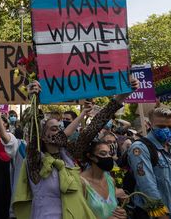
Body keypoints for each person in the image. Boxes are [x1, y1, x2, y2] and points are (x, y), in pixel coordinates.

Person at [13, 78, 138, 219]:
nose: (59, 131)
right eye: (54, 129)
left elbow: (94, 126)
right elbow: (33, 131)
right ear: (43, 136)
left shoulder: (69, 156)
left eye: (61, 128)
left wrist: (123, 95)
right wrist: (34, 99)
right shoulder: (35, 161)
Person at [127, 108, 171, 218]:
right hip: (154, 215)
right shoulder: (140, 148)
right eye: (161, 126)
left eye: (170, 127)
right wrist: (160, 214)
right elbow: (146, 185)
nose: (167, 130)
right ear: (150, 125)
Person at [0, 99, 19, 219]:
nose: (1, 123)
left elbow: (4, 136)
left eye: (2, 122)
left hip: (6, 166)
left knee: (5, 193)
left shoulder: (10, 136)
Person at [81, 140, 127, 219]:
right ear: (91, 156)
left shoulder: (110, 180)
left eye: (109, 153)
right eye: (103, 154)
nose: (108, 157)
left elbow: (112, 209)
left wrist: (122, 213)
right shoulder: (81, 183)